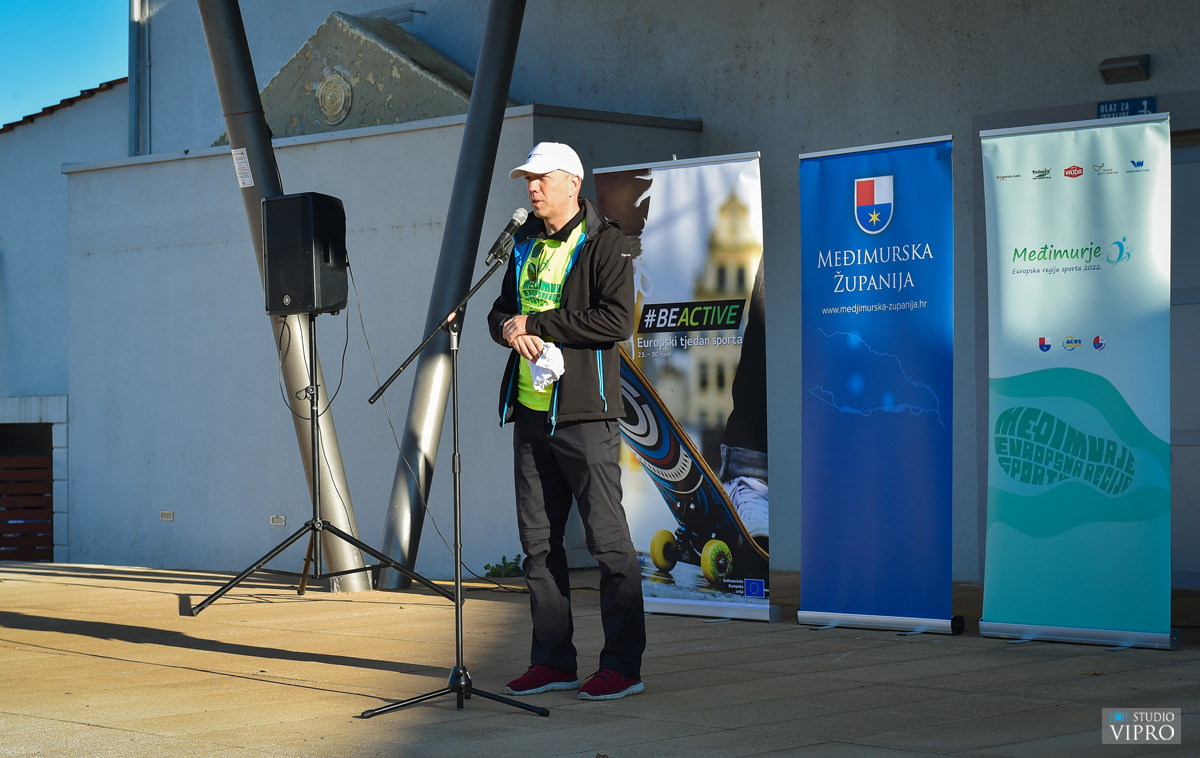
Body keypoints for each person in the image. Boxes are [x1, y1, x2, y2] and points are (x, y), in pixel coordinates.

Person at [487, 142, 646, 701]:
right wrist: (509, 328)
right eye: (527, 180)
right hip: (530, 414)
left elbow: (615, 321)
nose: (532, 188)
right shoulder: (523, 241)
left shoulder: (606, 241)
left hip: (584, 415)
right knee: (538, 545)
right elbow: (500, 312)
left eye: (542, 178)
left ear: (573, 183)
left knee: (608, 543)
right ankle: (554, 662)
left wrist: (538, 323)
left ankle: (622, 666)